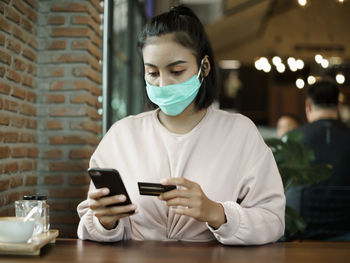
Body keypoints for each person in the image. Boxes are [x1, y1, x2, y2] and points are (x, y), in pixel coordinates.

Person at [77, 5, 285, 245]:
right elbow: (91, 224)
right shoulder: (122, 135)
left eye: (176, 71)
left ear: (204, 67)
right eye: (152, 73)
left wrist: (217, 213)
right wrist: (106, 222)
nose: (163, 84)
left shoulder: (240, 133)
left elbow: (273, 220)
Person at [286, 78, 350, 239]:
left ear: (308, 105)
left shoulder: (292, 139)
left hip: (300, 231)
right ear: (339, 105)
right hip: (345, 230)